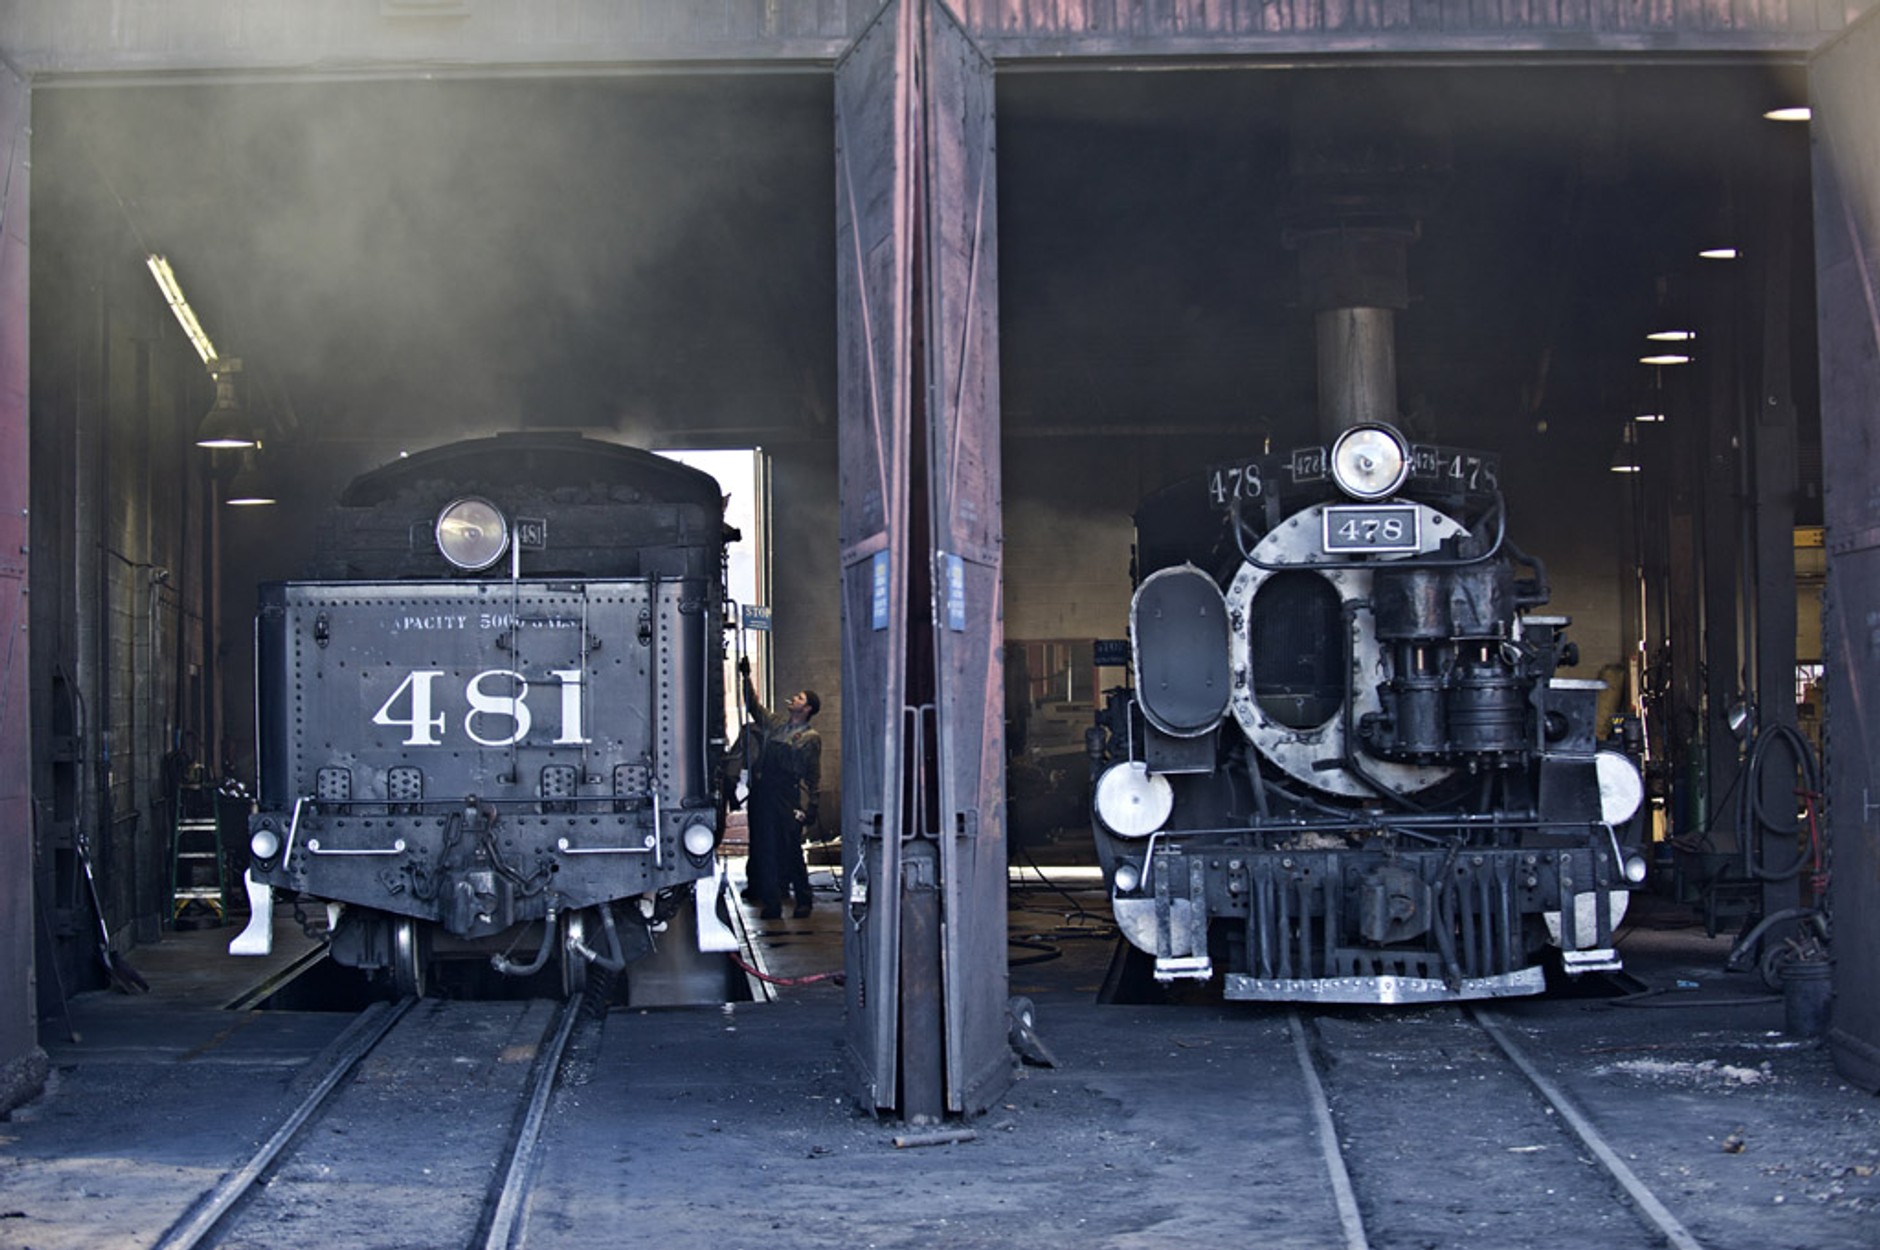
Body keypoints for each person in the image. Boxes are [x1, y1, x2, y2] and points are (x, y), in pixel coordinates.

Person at [738, 656, 823, 920]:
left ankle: (803, 900)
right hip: (764, 793)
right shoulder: (775, 725)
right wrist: (746, 677)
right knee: (765, 849)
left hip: (786, 797)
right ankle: (772, 903)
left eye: (799, 697)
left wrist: (812, 807)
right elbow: (753, 706)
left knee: (791, 849)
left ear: (807, 708)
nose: (793, 698)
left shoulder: (810, 738)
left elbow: (813, 775)